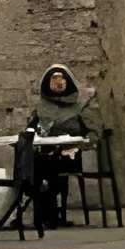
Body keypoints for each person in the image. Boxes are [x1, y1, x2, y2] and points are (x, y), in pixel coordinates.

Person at [15, 63, 97, 228]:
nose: (58, 81)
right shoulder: (41, 107)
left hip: (69, 154)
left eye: (61, 77)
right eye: (54, 78)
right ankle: (36, 211)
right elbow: (31, 128)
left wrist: (80, 145)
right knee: (28, 162)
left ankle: (52, 213)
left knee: (50, 164)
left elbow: (94, 132)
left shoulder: (80, 106)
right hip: (44, 153)